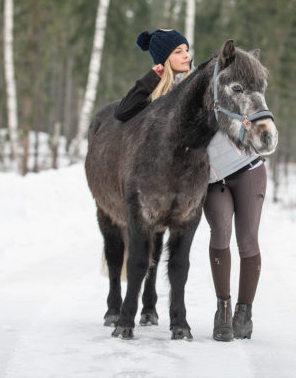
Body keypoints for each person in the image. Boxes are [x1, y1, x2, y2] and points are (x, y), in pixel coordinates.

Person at [114, 28, 267, 342]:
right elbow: (124, 112)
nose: (187, 55)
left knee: (243, 241)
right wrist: (149, 78)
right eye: (178, 51)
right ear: (164, 59)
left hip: (225, 170)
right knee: (212, 237)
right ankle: (213, 311)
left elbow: (234, 105)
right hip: (196, 177)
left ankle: (241, 313)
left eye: (187, 49)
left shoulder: (206, 82)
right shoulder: (162, 92)